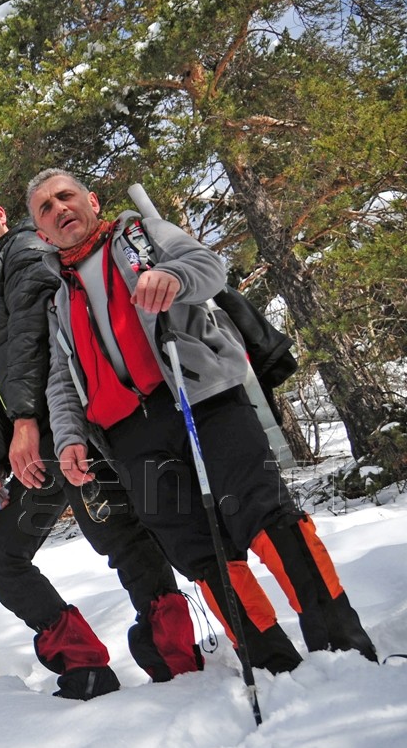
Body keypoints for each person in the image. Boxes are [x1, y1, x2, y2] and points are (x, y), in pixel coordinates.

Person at [28, 168, 377, 672]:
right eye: (46, 207)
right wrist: (67, 440)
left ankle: (341, 642)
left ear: (92, 201)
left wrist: (173, 277)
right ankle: (268, 662)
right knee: (197, 547)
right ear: (42, 232)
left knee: (264, 514)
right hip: (129, 436)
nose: (59, 209)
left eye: (66, 197)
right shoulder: (60, 297)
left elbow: (208, 266)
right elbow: (62, 379)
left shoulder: (141, 235)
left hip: (200, 398)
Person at [0, 186, 201, 698]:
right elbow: (2, 367)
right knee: (9, 555)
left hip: (68, 431)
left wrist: (25, 422)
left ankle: (169, 658)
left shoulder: (25, 252)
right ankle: (96, 662)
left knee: (117, 537)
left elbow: (37, 338)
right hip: (38, 442)